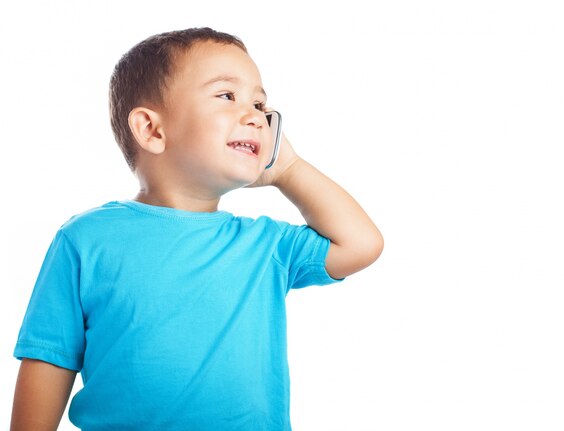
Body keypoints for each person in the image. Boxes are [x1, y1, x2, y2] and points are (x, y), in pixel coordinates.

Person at [11, 27, 383, 431]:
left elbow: (361, 244)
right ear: (152, 130)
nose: (256, 116)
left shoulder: (265, 244)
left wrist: (289, 170)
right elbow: (49, 358)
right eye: (227, 96)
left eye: (261, 104)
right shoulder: (84, 240)